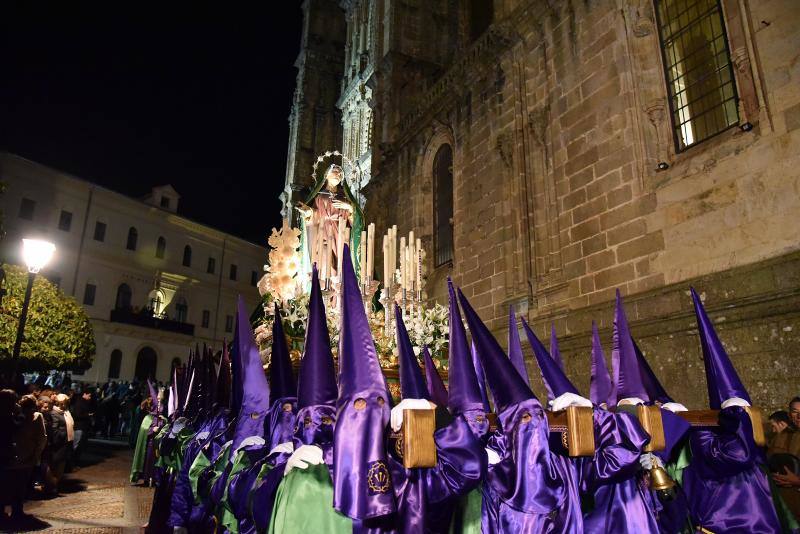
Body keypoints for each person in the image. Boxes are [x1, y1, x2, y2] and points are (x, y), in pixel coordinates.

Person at [8, 395, 47, 524]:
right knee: (18, 486)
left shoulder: (31, 417)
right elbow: (41, 439)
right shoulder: (14, 416)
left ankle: (16, 511)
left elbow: (41, 438)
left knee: (18, 485)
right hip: (18, 456)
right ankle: (15, 511)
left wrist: (35, 455)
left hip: (22, 456)